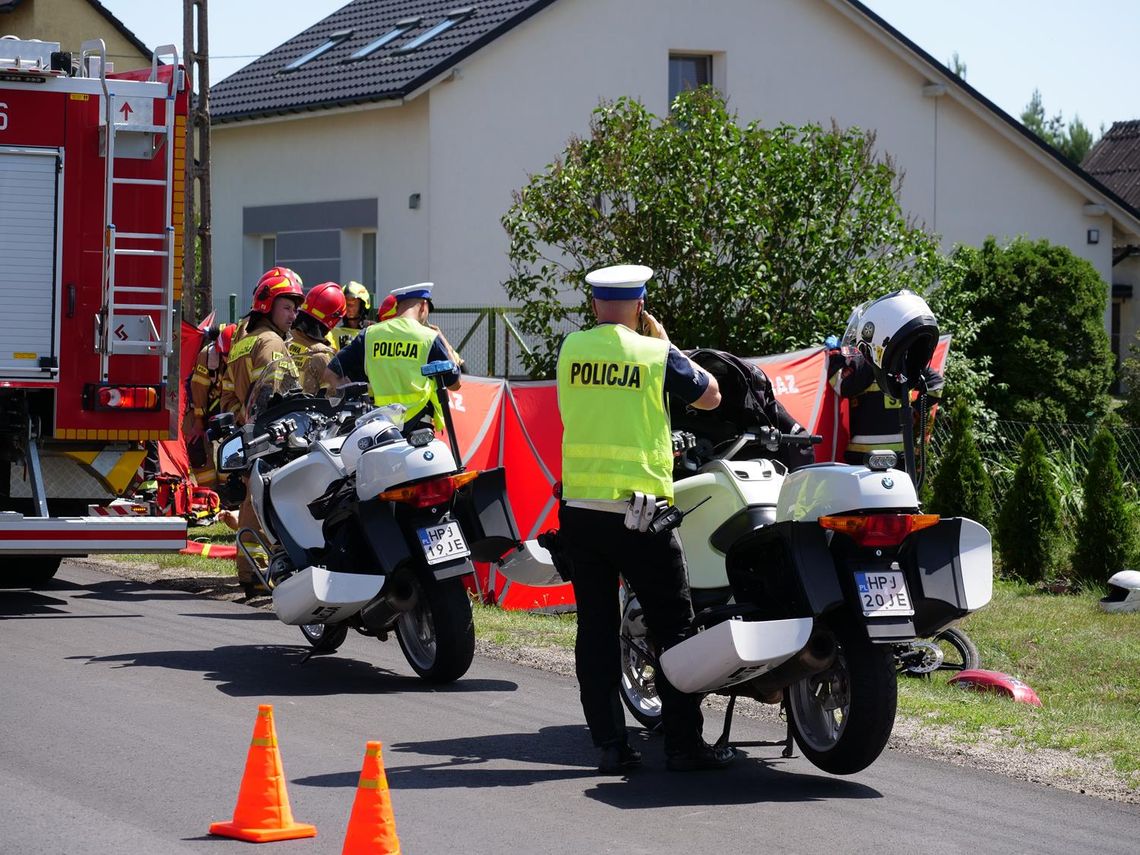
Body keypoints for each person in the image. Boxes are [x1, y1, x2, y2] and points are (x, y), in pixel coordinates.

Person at [555, 263, 732, 774]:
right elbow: (711, 395)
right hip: (641, 516)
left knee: (595, 629)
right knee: (674, 626)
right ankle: (682, 745)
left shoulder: (571, 349)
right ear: (640, 306)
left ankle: (610, 744)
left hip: (582, 511)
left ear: (594, 305)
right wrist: (666, 344)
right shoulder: (654, 353)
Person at [220, 266, 303, 597]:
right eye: (287, 307)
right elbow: (276, 395)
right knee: (274, 503)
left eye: (295, 308)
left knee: (252, 503)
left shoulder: (243, 340)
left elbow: (228, 394)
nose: (294, 315)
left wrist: (244, 419)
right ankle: (269, 572)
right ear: (267, 305)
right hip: (272, 436)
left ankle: (251, 572)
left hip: (248, 433)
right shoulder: (271, 342)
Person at [324, 282, 463, 433]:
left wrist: (353, 398)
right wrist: (442, 339)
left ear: (397, 308)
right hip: (418, 427)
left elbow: (330, 373)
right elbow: (454, 384)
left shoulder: (370, 334)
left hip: (378, 425)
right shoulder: (428, 337)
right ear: (423, 306)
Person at [828, 306, 943, 472]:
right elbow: (936, 386)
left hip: (863, 455)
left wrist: (834, 356)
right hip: (898, 455)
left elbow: (841, 385)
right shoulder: (904, 359)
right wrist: (915, 410)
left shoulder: (862, 360)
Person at [184, 322, 237, 488]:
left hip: (230, 409)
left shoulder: (244, 358)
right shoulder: (208, 356)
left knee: (233, 449)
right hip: (203, 406)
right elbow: (198, 390)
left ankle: (228, 489)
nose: (228, 359)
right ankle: (208, 490)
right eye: (225, 354)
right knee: (196, 445)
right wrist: (198, 422)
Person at [289, 282, 346, 395]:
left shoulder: (284, 338)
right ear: (333, 319)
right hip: (307, 407)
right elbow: (334, 397)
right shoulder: (322, 356)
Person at [334, 281, 373, 351]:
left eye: (353, 304)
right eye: (346, 304)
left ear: (363, 306)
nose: (349, 308)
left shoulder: (372, 330)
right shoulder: (333, 333)